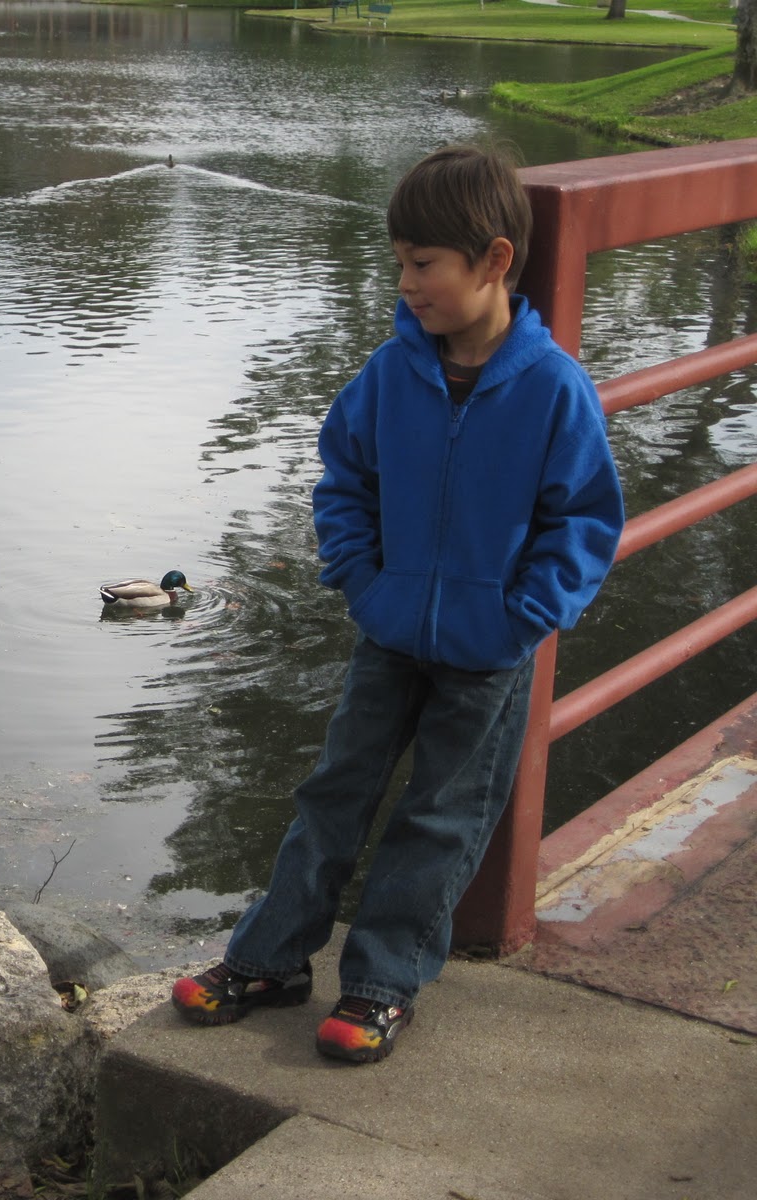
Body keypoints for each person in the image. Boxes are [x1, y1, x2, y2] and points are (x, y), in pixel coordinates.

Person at [171, 144, 625, 1063]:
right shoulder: (390, 373)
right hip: (389, 631)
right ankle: (269, 959)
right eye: (400, 263)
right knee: (333, 793)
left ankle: (383, 981)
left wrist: (523, 616)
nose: (407, 283)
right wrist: (363, 580)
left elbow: (583, 519)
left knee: (440, 816)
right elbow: (344, 478)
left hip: (489, 651)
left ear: (495, 261)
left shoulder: (553, 389)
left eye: (424, 265)